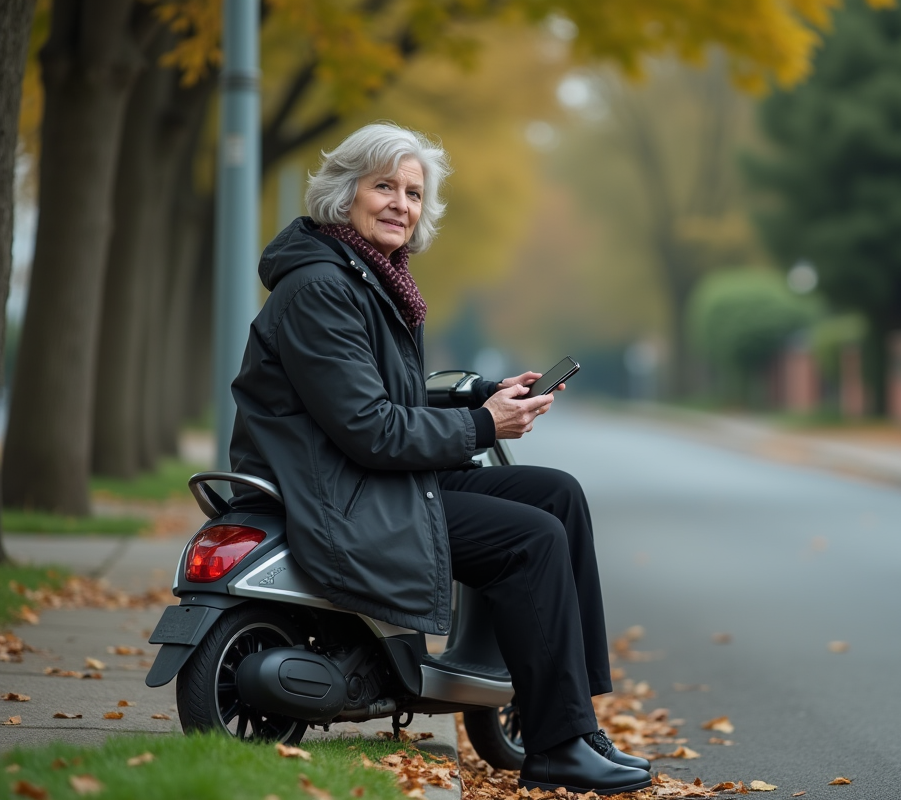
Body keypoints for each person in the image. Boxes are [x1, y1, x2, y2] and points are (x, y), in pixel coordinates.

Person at [227, 122, 651, 794]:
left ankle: (574, 722)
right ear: (346, 194)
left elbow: (383, 401)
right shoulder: (323, 289)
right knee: (532, 539)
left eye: (414, 193)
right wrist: (484, 424)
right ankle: (557, 747)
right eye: (384, 187)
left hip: (368, 476)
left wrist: (482, 395)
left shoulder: (371, 278)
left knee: (558, 495)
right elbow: (369, 428)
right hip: (342, 491)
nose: (401, 203)